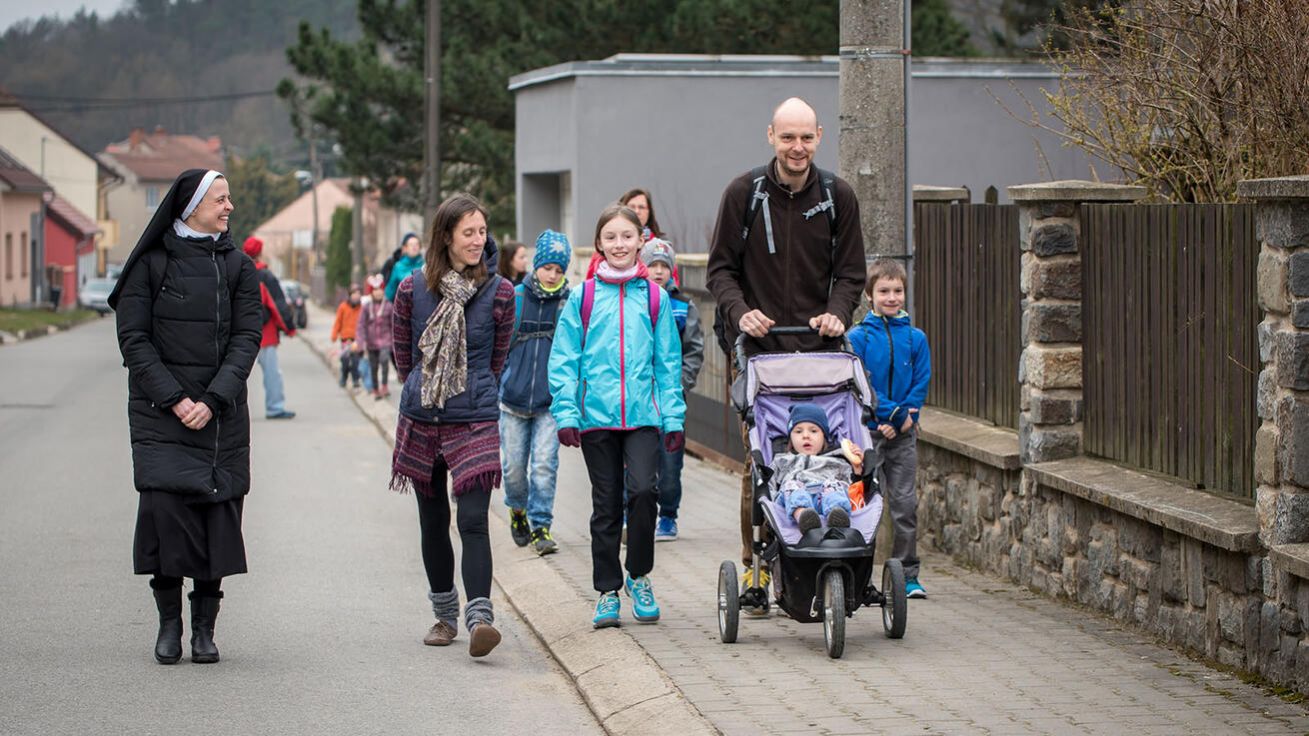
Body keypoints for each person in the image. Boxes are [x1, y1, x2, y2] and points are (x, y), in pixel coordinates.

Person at [705, 96, 867, 612]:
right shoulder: (743, 194)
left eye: (806, 138)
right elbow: (720, 272)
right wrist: (741, 312)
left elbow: (851, 273)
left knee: (837, 457)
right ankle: (756, 568)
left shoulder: (839, 196)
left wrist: (839, 311)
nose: (797, 148)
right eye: (787, 137)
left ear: (819, 136)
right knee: (763, 464)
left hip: (822, 354)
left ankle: (840, 558)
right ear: (770, 136)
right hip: (760, 352)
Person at [108, 168, 262, 665]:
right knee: (167, 519)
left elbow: (247, 339)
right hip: (161, 414)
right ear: (191, 204)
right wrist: (175, 399)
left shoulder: (239, 267)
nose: (229, 206)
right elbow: (134, 340)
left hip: (220, 416)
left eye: (230, 198)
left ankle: (204, 631)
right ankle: (169, 626)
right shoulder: (150, 266)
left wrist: (213, 399)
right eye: (220, 198)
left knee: (216, 519)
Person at [548, 204, 685, 629]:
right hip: (596, 419)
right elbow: (564, 359)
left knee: (644, 492)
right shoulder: (583, 297)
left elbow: (668, 362)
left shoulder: (656, 298)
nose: (619, 244)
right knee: (605, 505)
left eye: (627, 236)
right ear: (600, 244)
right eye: (611, 237)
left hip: (644, 416)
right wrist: (566, 412)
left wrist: (674, 418)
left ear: (641, 241)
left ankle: (639, 576)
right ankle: (608, 591)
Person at [390, 193, 515, 657]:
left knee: (472, 519)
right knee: (433, 520)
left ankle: (480, 617)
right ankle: (444, 616)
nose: (478, 241)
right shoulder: (411, 290)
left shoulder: (500, 292)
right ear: (446, 236)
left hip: (474, 418)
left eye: (482, 232)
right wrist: (428, 388)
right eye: (468, 233)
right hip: (422, 416)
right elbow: (404, 355)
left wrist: (470, 387)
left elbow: (498, 357)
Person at [848, 258, 931, 598]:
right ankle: (857, 574)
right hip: (866, 434)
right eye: (884, 291)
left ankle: (907, 575)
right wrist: (890, 415)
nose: (892, 297)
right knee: (859, 505)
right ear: (870, 295)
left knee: (904, 506)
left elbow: (921, 381)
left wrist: (906, 417)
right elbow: (860, 382)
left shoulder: (916, 338)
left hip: (903, 436)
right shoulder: (857, 337)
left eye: (898, 290)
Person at [499, 229, 572, 556]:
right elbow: (497, 349)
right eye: (548, 268)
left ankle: (541, 524)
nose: (553, 275)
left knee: (544, 465)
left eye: (559, 270)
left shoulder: (567, 305)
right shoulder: (514, 298)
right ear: (536, 266)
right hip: (512, 401)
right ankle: (517, 510)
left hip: (549, 404)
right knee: (514, 468)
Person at [638, 239, 703, 542]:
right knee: (637, 459)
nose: (659, 271)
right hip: (638, 396)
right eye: (653, 265)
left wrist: (679, 384)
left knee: (670, 459)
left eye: (664, 266)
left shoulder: (682, 307)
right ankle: (636, 513)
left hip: (670, 398)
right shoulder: (635, 302)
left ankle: (667, 515)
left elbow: (693, 351)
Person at [770, 404, 859, 533]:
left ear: (824, 437)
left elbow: (853, 490)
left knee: (834, 485)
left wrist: (857, 469)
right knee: (791, 485)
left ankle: (837, 516)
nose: (806, 436)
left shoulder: (838, 461)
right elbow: (769, 487)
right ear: (791, 438)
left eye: (813, 431)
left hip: (825, 496)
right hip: (794, 498)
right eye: (798, 431)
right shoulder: (781, 461)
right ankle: (803, 517)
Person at [242, 236, 297, 420]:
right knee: (272, 373)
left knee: (236, 372)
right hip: (265, 333)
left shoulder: (238, 270)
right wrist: (289, 327)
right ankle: (275, 407)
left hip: (240, 331)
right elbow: (277, 304)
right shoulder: (265, 276)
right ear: (259, 252)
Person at [356, 273, 394, 399]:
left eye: (380, 290)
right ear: (371, 292)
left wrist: (395, 342)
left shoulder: (388, 306)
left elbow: (393, 324)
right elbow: (361, 325)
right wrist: (361, 342)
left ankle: (384, 385)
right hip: (371, 342)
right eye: (375, 290)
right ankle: (375, 388)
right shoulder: (367, 308)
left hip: (385, 340)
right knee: (373, 366)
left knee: (384, 361)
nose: (378, 293)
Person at [331, 284, 364, 389]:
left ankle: (355, 380)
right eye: (354, 294)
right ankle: (344, 376)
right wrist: (334, 334)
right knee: (345, 359)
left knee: (355, 361)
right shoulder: (343, 307)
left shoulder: (362, 308)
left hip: (357, 339)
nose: (356, 296)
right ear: (350, 295)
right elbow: (338, 322)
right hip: (346, 338)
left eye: (358, 294)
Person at [385, 232, 425, 302]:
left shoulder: (425, 265)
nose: (414, 247)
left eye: (416, 244)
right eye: (411, 245)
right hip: (404, 305)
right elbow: (390, 291)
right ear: (405, 248)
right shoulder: (398, 266)